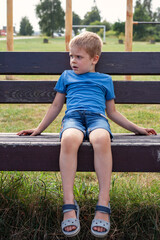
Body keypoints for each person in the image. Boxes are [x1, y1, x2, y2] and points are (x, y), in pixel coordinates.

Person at [17, 31, 157, 238]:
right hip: (72, 119)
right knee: (68, 139)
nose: (73, 60)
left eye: (79, 57)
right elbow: (56, 106)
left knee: (101, 139)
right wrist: (38, 130)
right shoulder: (66, 76)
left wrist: (137, 129)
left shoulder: (105, 80)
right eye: (71, 56)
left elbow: (113, 113)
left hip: (97, 118)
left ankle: (103, 202)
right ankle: (69, 203)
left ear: (94, 59)